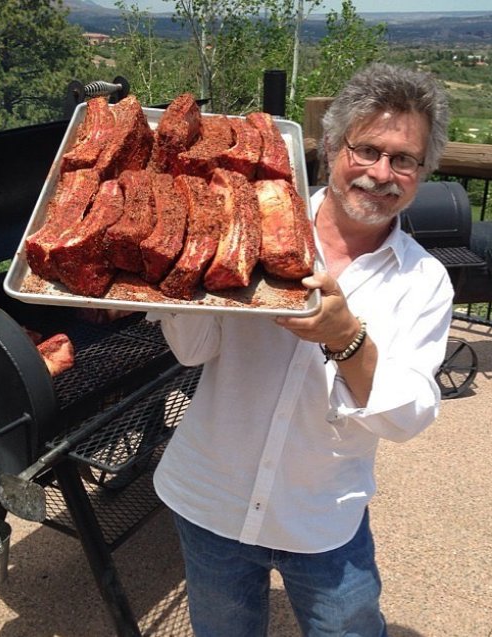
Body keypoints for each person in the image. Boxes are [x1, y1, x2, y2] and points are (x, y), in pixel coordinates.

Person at [147, 63, 454, 637]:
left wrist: (347, 339)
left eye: (404, 159)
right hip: (213, 495)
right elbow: (194, 350)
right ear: (334, 147)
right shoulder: (251, 222)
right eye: (366, 149)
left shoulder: (425, 281)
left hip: (322, 515)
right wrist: (178, 270)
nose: (381, 173)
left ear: (422, 171)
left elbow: (409, 415)